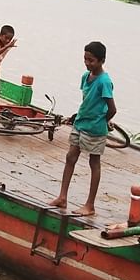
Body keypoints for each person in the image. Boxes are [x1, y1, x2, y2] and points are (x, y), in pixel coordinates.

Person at [49, 41, 117, 217]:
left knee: (94, 163)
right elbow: (88, 100)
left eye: (92, 60)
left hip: (94, 128)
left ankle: (90, 205)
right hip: (81, 123)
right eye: (85, 59)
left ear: (102, 61)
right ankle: (62, 196)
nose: (87, 63)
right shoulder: (85, 76)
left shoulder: (105, 81)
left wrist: (104, 121)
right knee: (70, 157)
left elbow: (112, 109)